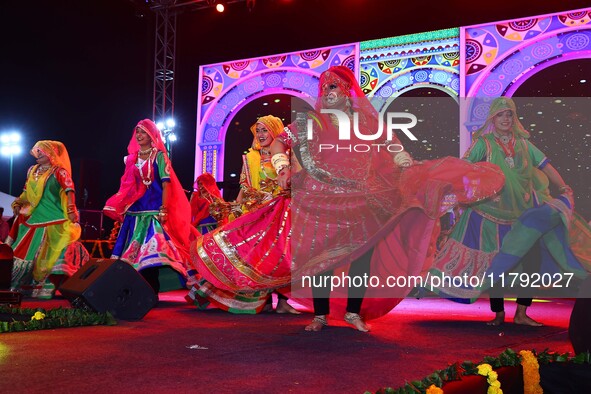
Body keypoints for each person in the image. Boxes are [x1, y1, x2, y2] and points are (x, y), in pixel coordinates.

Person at [188, 66, 504, 332]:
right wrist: (282, 166)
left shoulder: (367, 123)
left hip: (363, 200)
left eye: (334, 86)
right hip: (318, 202)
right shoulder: (312, 122)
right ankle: (321, 315)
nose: (328, 92)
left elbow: (392, 145)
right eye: (324, 87)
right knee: (321, 259)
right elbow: (280, 142)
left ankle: (354, 312)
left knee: (361, 258)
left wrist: (405, 162)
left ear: (347, 90)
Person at [430, 97, 591, 326]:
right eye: (501, 114)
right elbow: (464, 168)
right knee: (497, 264)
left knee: (532, 262)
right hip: (491, 213)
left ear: (514, 118)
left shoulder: (524, 144)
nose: (505, 119)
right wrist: (477, 187)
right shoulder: (484, 143)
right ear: (493, 119)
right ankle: (498, 314)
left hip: (524, 216)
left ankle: (522, 313)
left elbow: (546, 166)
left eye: (509, 114)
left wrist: (564, 187)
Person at [186, 115, 300, 314]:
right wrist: (235, 210)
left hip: (279, 215)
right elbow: (244, 188)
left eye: (265, 130)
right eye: (258, 130)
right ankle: (261, 302)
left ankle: (282, 302)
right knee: (257, 260)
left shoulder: (287, 157)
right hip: (256, 215)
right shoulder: (250, 159)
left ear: (276, 131)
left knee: (280, 257)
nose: (261, 134)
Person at [104, 119, 198, 294]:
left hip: (154, 212)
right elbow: (127, 186)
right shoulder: (131, 159)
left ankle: (152, 289)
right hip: (135, 212)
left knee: (155, 251)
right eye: (137, 132)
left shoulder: (159, 156)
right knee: (133, 254)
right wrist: (122, 205)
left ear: (152, 135)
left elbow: (166, 184)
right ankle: (137, 291)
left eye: (143, 132)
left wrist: (164, 208)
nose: (139, 136)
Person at [8, 140, 85, 299]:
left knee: (52, 253)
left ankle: (46, 286)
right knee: (24, 252)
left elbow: (69, 190)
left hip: (55, 219)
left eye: (41, 151)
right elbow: (26, 192)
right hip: (34, 219)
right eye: (37, 151)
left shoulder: (59, 172)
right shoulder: (32, 170)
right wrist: (18, 202)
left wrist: (71, 209)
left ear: (51, 154)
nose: (37, 154)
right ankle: (23, 286)